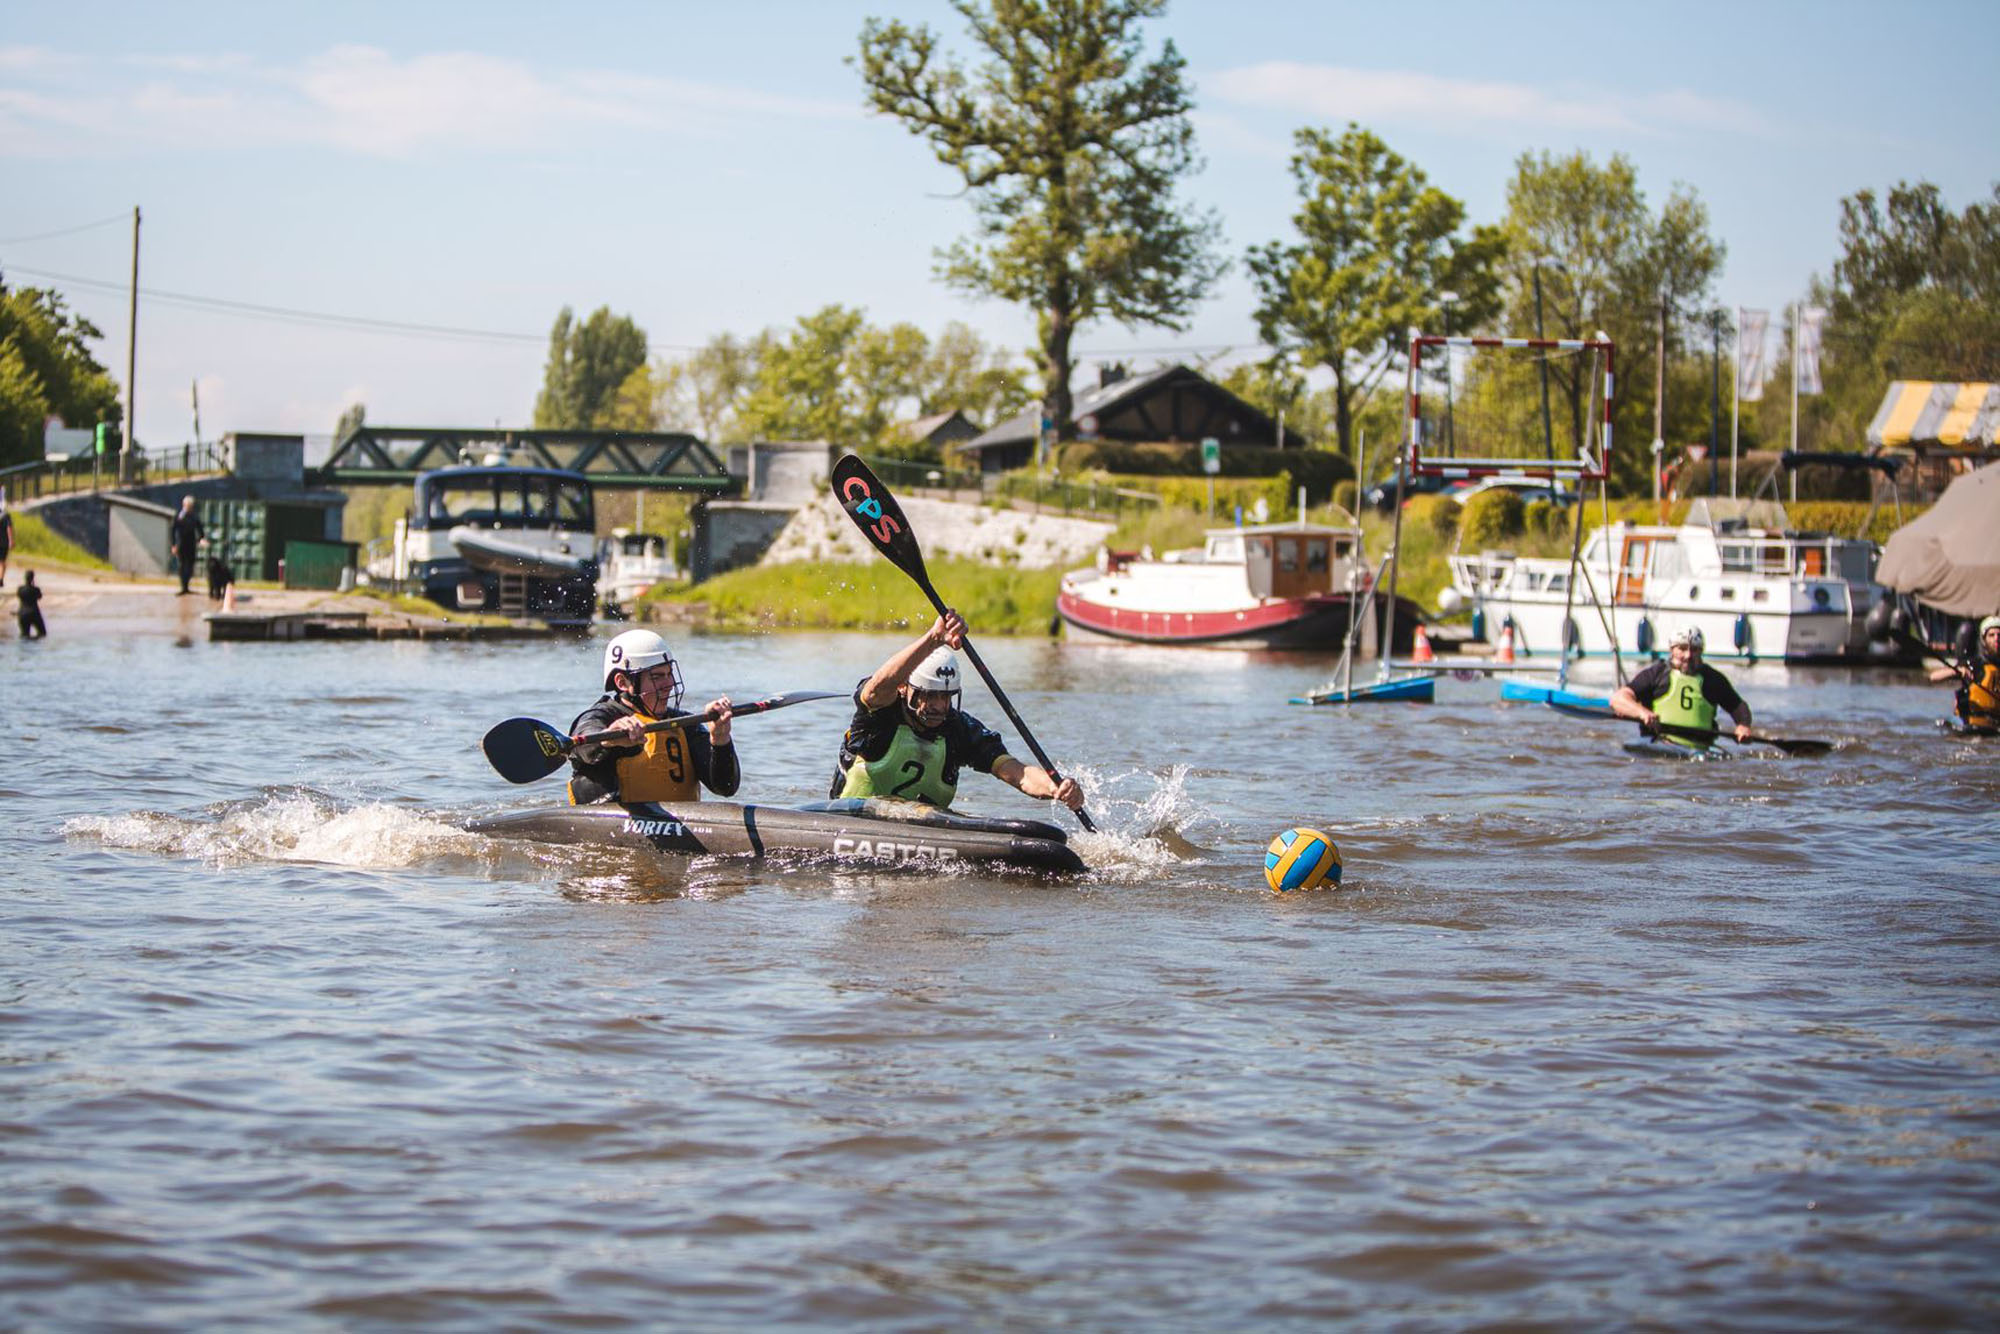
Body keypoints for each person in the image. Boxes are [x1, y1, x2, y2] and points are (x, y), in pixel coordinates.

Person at [830, 609, 1084, 812]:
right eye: (928, 695)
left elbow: (1017, 773)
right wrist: (934, 638)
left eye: (945, 696)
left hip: (922, 834)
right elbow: (876, 687)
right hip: (851, 821)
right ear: (904, 688)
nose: (938, 706)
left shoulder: (959, 730)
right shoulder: (879, 716)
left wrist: (1055, 788)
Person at [566, 629, 738, 806]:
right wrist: (609, 739)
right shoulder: (601, 717)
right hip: (611, 827)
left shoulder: (686, 725)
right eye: (657, 676)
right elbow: (583, 743)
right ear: (623, 682)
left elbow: (725, 788)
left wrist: (720, 740)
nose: (669, 684)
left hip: (677, 826)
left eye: (669, 673)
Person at [1610, 625, 1752, 748]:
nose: (1688, 655)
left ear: (1701, 651)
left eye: (1694, 650)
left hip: (1699, 748)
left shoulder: (1713, 680)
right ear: (1672, 650)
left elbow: (1738, 707)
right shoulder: (1656, 674)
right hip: (1658, 744)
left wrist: (1743, 726)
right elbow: (1618, 699)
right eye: (1682, 649)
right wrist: (1641, 712)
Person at [1928, 614, 2000, 730]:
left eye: (1999, 635)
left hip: (1994, 725)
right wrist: (1957, 671)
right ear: (1984, 640)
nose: (1996, 638)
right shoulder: (1972, 665)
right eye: (1991, 635)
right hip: (1969, 723)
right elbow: (1933, 678)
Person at [169, 496, 204, 596]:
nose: (190, 508)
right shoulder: (179, 516)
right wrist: (173, 545)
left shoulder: (194, 516)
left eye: (191, 506)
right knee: (182, 566)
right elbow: (173, 530)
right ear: (184, 505)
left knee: (190, 566)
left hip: (191, 544)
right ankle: (183, 588)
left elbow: (200, 528)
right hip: (181, 544)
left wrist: (201, 538)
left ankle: (187, 587)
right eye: (189, 506)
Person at [16, 569, 45, 639]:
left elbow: (19, 596)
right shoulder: (36, 589)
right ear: (33, 578)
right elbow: (39, 597)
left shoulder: (20, 589)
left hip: (22, 613)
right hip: (34, 613)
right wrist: (33, 585)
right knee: (42, 633)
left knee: (24, 634)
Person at [0, 496, 14, 587]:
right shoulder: (6, 516)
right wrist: (10, 540)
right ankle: (1, 579)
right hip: (3, 542)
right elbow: (9, 528)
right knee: (2, 561)